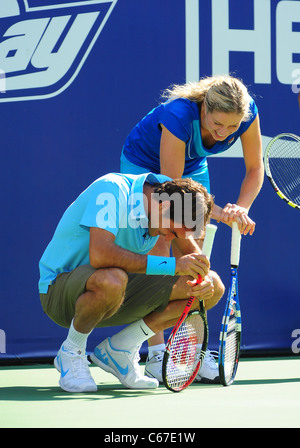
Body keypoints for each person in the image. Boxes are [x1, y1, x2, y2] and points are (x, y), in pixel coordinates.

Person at [120, 74, 264, 382]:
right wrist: (222, 215)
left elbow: (255, 168)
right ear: (204, 110)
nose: (224, 132)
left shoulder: (247, 112)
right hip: (144, 164)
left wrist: (242, 208)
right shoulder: (178, 116)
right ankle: (156, 355)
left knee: (196, 260)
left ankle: (191, 352)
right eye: (216, 124)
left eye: (231, 127)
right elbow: (174, 206)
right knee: (163, 248)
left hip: (191, 164)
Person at [38, 172, 225, 393]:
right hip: (60, 293)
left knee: (213, 286)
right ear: (162, 205)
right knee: (113, 278)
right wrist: (173, 266)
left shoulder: (172, 201)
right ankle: (71, 351)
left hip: (117, 295)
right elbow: (100, 256)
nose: (167, 239)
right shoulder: (112, 190)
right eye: (171, 231)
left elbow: (192, 257)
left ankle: (121, 349)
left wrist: (202, 278)